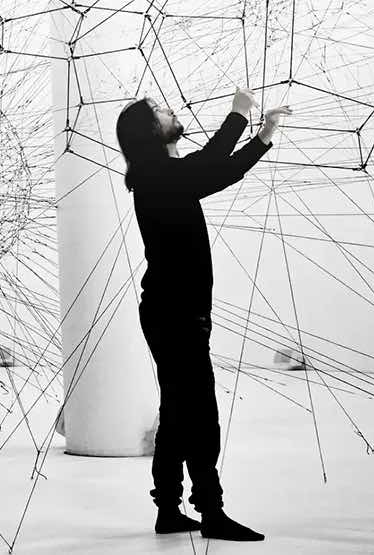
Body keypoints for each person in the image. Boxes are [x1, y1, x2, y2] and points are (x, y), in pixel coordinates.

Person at [116, 88, 291, 541]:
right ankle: (210, 511)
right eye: (162, 111)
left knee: (178, 410)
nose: (172, 111)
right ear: (150, 132)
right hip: (175, 314)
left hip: (178, 312)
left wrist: (265, 135)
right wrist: (239, 116)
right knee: (199, 412)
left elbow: (219, 169)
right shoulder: (157, 175)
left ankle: (168, 509)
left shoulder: (162, 174)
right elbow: (213, 162)